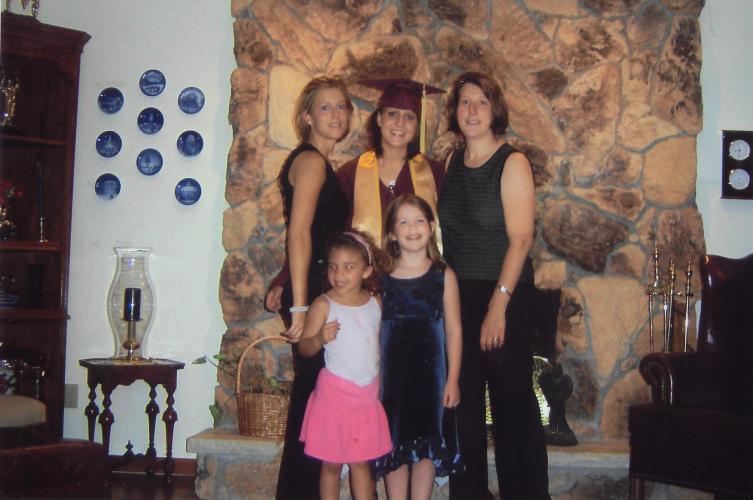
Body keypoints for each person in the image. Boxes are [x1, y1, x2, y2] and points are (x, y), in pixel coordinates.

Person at [437, 71, 550, 499]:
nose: (472, 110)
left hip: (504, 293)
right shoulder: (451, 163)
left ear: (494, 110)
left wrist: (498, 306)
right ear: (455, 111)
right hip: (459, 297)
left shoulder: (511, 162)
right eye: (465, 102)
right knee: (463, 409)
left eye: (481, 102)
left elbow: (521, 239)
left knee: (512, 409)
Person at [274, 76, 353, 500]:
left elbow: (309, 232)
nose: (336, 114)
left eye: (341, 106)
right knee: (313, 402)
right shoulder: (311, 162)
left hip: (317, 291)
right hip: (313, 298)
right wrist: (301, 307)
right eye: (325, 107)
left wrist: (286, 284)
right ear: (307, 117)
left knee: (316, 401)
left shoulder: (319, 162)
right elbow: (300, 233)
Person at [374, 194, 463, 499]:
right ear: (391, 233)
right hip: (393, 379)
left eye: (419, 221)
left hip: (432, 379)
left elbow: (454, 330)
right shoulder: (381, 279)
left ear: (431, 226)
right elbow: (373, 331)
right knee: (393, 440)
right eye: (404, 222)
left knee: (427, 444)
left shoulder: (443, 275)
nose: (412, 228)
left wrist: (453, 379)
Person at [298, 230, 392, 500]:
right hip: (334, 396)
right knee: (331, 463)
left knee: (361, 462)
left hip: (366, 395)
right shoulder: (323, 304)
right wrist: (319, 338)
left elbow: (379, 345)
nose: (339, 275)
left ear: (366, 271)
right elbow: (305, 347)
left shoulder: (375, 303)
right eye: (333, 267)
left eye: (349, 267)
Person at [336, 78, 446, 245]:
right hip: (367, 263)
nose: (400, 123)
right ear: (379, 119)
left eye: (409, 117)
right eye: (392, 114)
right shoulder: (349, 174)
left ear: (417, 126)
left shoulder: (435, 173)